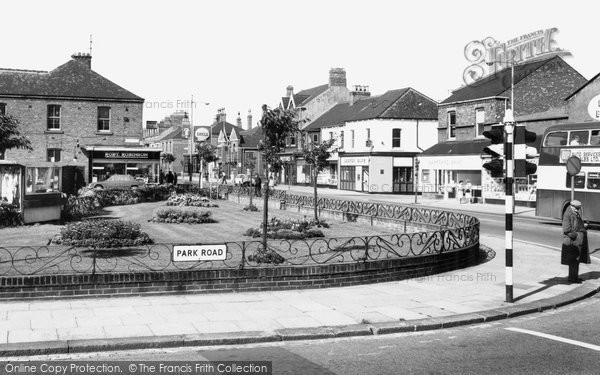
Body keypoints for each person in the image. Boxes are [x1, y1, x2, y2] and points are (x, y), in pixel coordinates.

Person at [561, 200, 590, 283]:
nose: (579, 210)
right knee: (573, 260)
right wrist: (576, 236)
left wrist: (583, 226)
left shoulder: (575, 213)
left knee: (577, 260)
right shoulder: (568, 214)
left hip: (578, 239)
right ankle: (572, 278)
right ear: (573, 207)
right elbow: (566, 229)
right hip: (573, 241)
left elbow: (576, 224)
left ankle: (575, 277)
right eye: (577, 208)